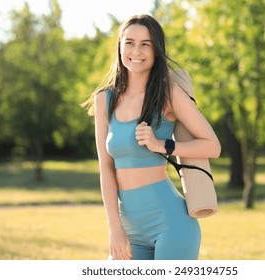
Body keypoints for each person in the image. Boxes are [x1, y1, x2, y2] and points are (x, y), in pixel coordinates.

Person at [83, 14, 221, 260]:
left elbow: (213, 146)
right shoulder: (104, 99)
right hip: (128, 229)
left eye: (145, 44)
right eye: (130, 42)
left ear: (156, 50)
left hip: (172, 225)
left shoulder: (169, 94)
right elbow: (106, 168)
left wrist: (162, 145)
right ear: (120, 46)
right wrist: (114, 228)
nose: (136, 50)